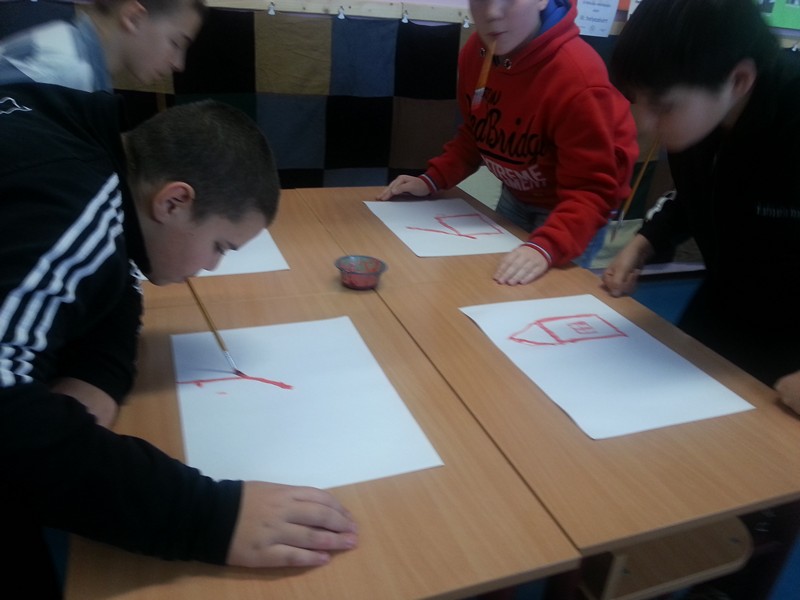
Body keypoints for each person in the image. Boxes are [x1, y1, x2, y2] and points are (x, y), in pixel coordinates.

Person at [0, 83, 358, 598]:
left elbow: (114, 275)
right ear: (174, 201)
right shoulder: (74, 197)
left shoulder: (90, 146)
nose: (211, 266)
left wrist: (94, 376)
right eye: (219, 246)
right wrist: (211, 517)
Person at [601, 0, 800, 390]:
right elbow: (700, 192)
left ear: (738, 81)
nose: (643, 123)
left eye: (663, 107)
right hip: (728, 300)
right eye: (637, 99)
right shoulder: (701, 116)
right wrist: (643, 244)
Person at [376, 0, 638, 286]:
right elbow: (476, 133)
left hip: (573, 210)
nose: (491, 12)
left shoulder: (578, 77)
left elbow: (592, 191)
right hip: (518, 194)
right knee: (493, 280)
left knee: (545, 293)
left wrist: (546, 247)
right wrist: (432, 180)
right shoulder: (477, 54)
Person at [0, 0, 205, 92]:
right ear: (134, 18)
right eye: (176, 43)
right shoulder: (66, 69)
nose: (178, 64)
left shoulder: (77, 56)